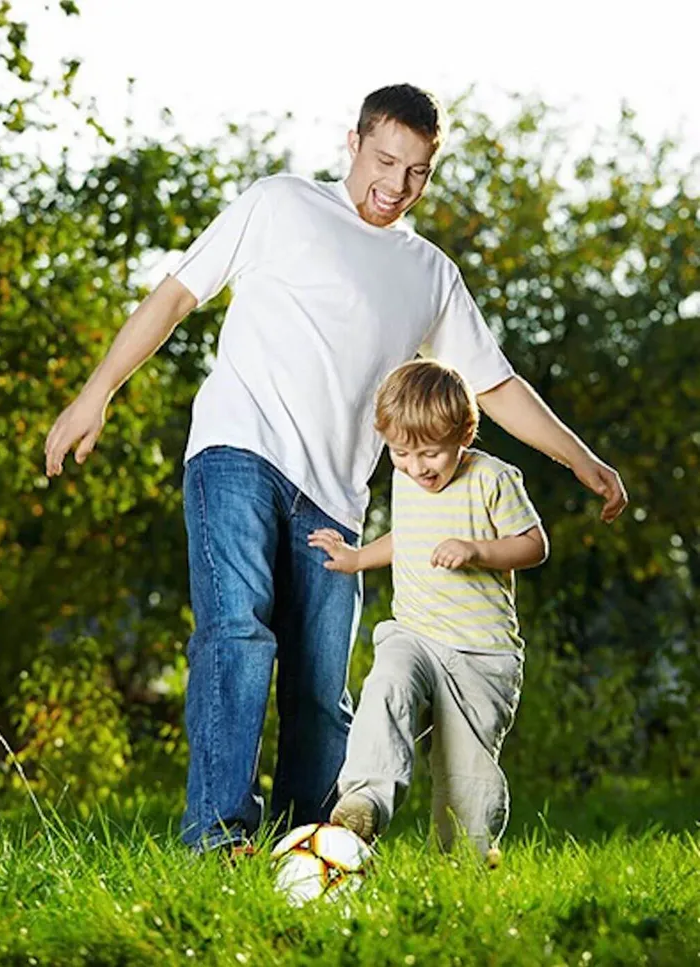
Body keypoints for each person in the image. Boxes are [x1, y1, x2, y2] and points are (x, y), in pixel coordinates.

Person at [44, 84, 627, 855]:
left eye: (417, 171)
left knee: (322, 688)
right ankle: (218, 835)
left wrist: (580, 457)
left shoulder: (428, 272)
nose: (396, 184)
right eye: (384, 160)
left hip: (337, 498)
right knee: (237, 632)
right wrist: (96, 393)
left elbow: (494, 384)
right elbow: (177, 295)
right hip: (238, 449)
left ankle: (312, 845)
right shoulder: (281, 204)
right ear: (353, 143)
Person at [309, 360, 547, 859]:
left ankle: (463, 866)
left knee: (465, 777)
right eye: (401, 453)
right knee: (387, 684)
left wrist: (477, 550)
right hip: (415, 634)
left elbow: (533, 544)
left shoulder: (493, 479)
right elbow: (409, 538)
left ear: (464, 434)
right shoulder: (408, 481)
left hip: (482, 655)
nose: (418, 467)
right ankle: (366, 799)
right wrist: (357, 558)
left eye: (431, 453)